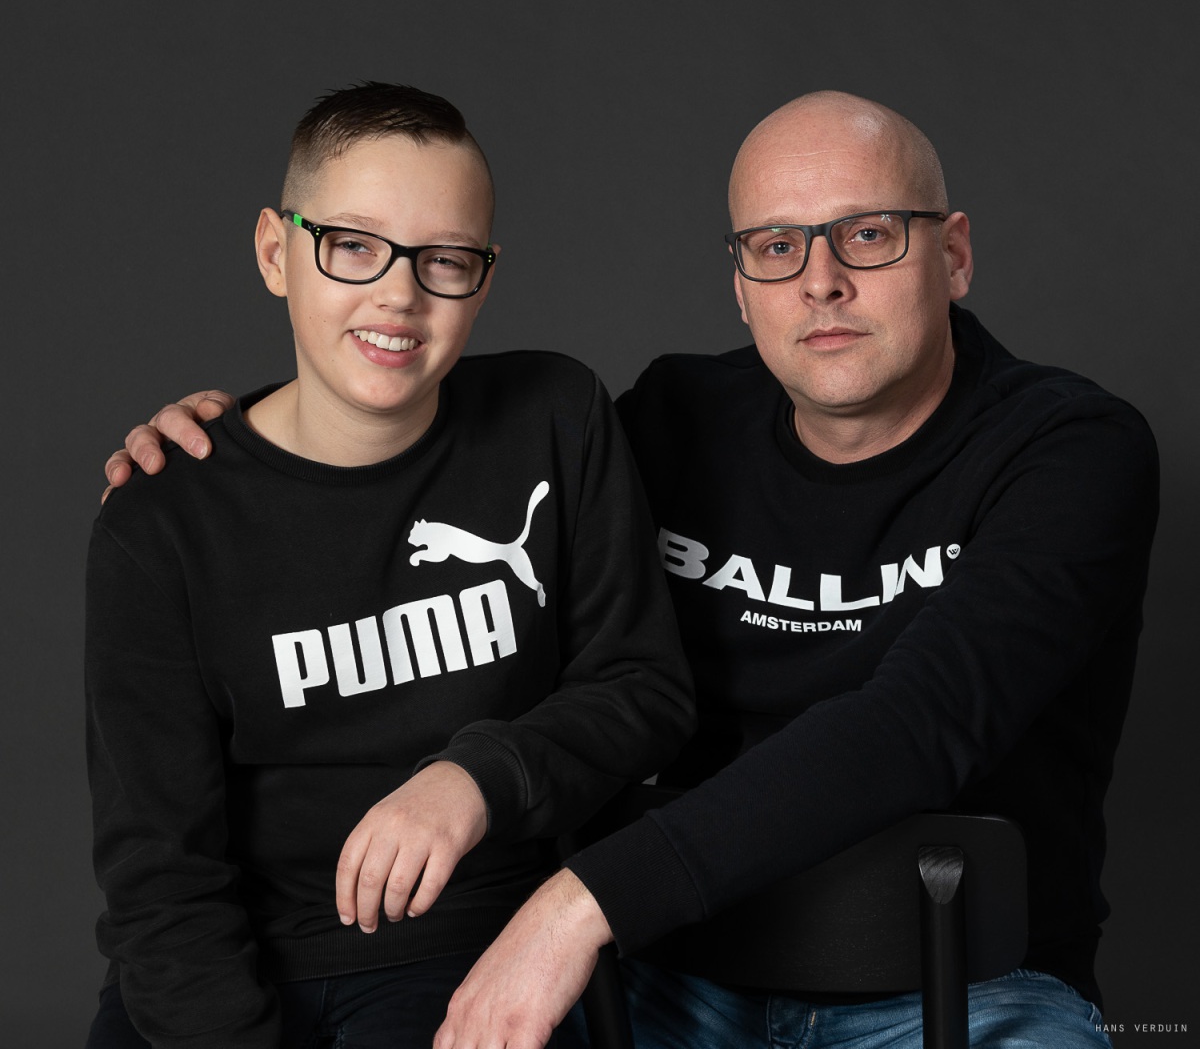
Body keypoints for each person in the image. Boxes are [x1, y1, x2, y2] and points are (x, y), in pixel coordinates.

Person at [109, 91, 1159, 1049]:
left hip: (957, 985)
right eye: (777, 246)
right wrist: (235, 444)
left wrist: (577, 906)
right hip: (669, 980)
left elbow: (915, 726)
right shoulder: (667, 421)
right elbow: (412, 457)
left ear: (955, 254)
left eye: (870, 234)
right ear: (740, 286)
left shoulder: (1071, 452)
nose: (821, 281)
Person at [85, 81, 694, 1049]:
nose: (399, 295)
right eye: (354, 246)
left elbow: (642, 688)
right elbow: (159, 875)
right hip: (218, 962)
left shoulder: (554, 418)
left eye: (443, 258)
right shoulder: (162, 516)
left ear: (483, 278)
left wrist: (474, 779)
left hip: (466, 951)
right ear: (276, 253)